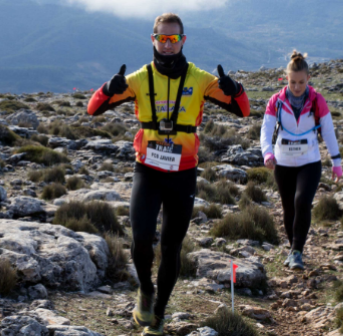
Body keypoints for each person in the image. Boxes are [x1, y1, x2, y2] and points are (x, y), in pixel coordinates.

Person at [87, 13, 250, 336]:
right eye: (162, 38)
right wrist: (108, 88)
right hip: (147, 170)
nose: (168, 44)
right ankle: (145, 290)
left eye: (174, 39)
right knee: (142, 240)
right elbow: (93, 108)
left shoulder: (200, 79)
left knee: (172, 247)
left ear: (183, 40)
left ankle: (158, 315)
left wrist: (236, 89)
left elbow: (243, 109)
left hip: (183, 173)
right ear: (153, 39)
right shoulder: (138, 79)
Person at [260, 51, 342, 270]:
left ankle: (297, 251)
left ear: (308, 79)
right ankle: (292, 248)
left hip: (309, 163)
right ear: (286, 79)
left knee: (302, 202)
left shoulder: (317, 101)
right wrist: (267, 153)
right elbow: (266, 130)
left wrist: (336, 162)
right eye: (293, 82)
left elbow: (329, 132)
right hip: (283, 164)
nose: (297, 87)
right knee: (289, 208)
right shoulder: (276, 101)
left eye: (301, 82)